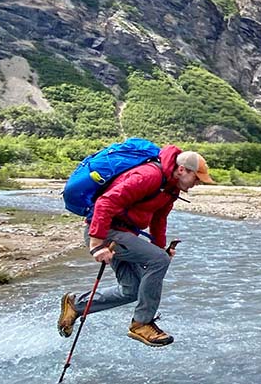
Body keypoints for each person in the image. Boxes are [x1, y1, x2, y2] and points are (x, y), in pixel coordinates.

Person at [58, 146, 213, 346]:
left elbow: (159, 221)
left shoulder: (170, 189)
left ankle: (76, 304)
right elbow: (106, 202)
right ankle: (142, 323)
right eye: (197, 178)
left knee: (132, 290)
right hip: (106, 232)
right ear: (182, 170)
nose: (198, 183)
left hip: (121, 235)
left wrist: (159, 248)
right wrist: (97, 244)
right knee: (159, 260)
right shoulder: (149, 175)